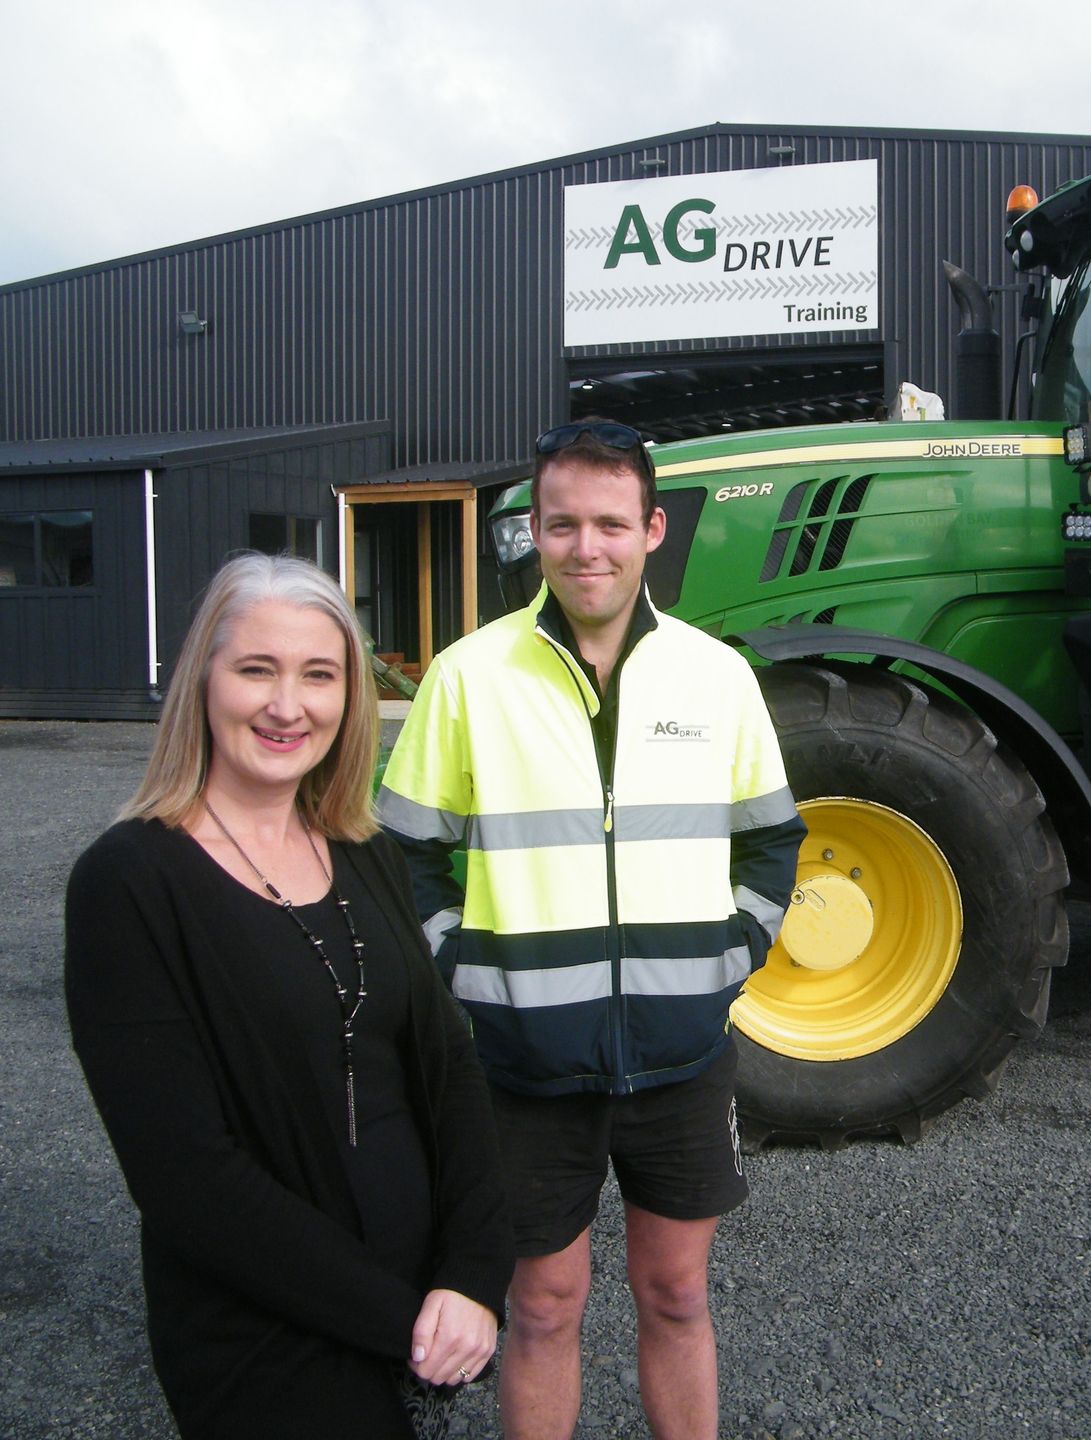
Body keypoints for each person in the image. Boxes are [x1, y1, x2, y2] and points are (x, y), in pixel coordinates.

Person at [377, 419, 806, 1440]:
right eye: (561, 523)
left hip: (682, 1057)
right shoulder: (467, 677)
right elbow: (402, 857)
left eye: (611, 523)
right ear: (534, 530)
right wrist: (467, 972)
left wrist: (724, 965)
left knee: (676, 1297)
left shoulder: (717, 676)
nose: (586, 548)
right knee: (541, 1306)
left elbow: (774, 842)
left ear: (652, 528)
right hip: (521, 1068)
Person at [64, 553, 514, 1439]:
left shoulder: (365, 851)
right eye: (255, 670)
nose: (287, 705)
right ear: (202, 681)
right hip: (263, 1339)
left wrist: (472, 1274)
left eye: (319, 674)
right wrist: (403, 1325)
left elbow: (450, 1069)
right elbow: (186, 1178)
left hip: (427, 1314)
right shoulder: (129, 882)